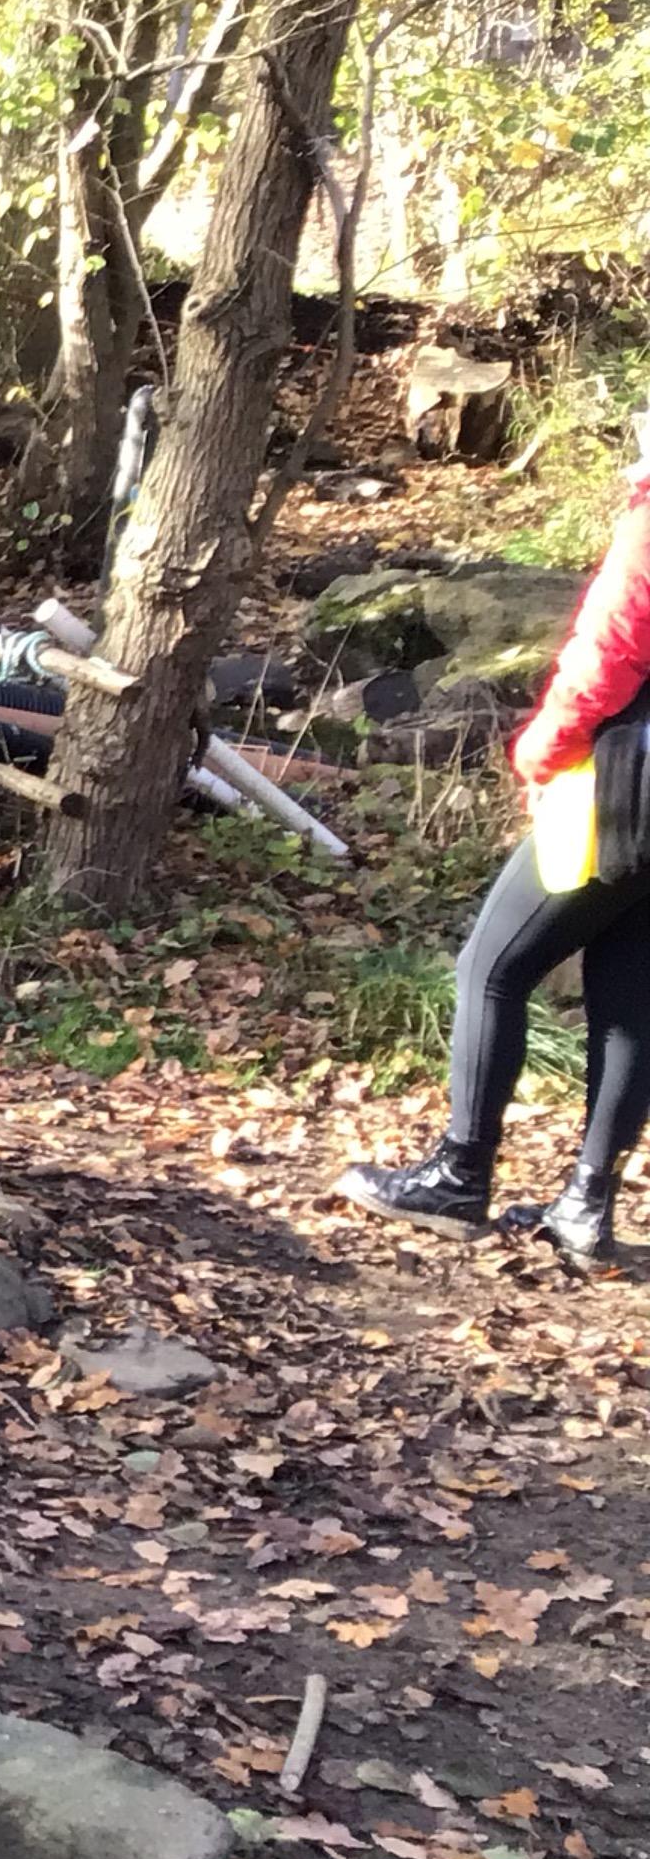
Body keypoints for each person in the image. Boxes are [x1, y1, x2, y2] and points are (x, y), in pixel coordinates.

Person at [337, 439, 650, 1259]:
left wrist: (540, 752)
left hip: (623, 787)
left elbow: (608, 656)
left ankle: (459, 1175)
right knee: (629, 991)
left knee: (493, 965)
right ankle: (586, 1204)